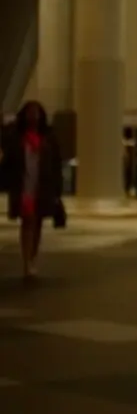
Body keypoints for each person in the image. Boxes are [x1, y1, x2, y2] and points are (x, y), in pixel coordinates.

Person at [2, 101, 65, 280]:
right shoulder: (17, 137)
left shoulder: (48, 137)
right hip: (24, 186)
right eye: (30, 111)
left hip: (42, 186)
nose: (33, 115)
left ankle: (33, 257)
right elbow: (9, 161)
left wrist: (57, 189)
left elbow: (56, 164)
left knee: (37, 223)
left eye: (36, 111)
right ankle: (26, 261)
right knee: (27, 221)